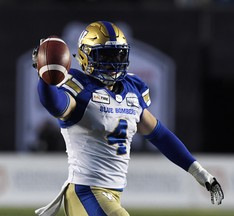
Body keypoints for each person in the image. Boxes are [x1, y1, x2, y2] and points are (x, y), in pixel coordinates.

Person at [33, 21, 224, 216]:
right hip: (86, 192)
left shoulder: (132, 90)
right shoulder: (80, 90)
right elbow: (55, 104)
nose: (114, 62)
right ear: (85, 56)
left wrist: (198, 171)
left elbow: (160, 136)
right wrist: (46, 77)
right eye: (105, 55)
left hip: (112, 194)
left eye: (119, 54)